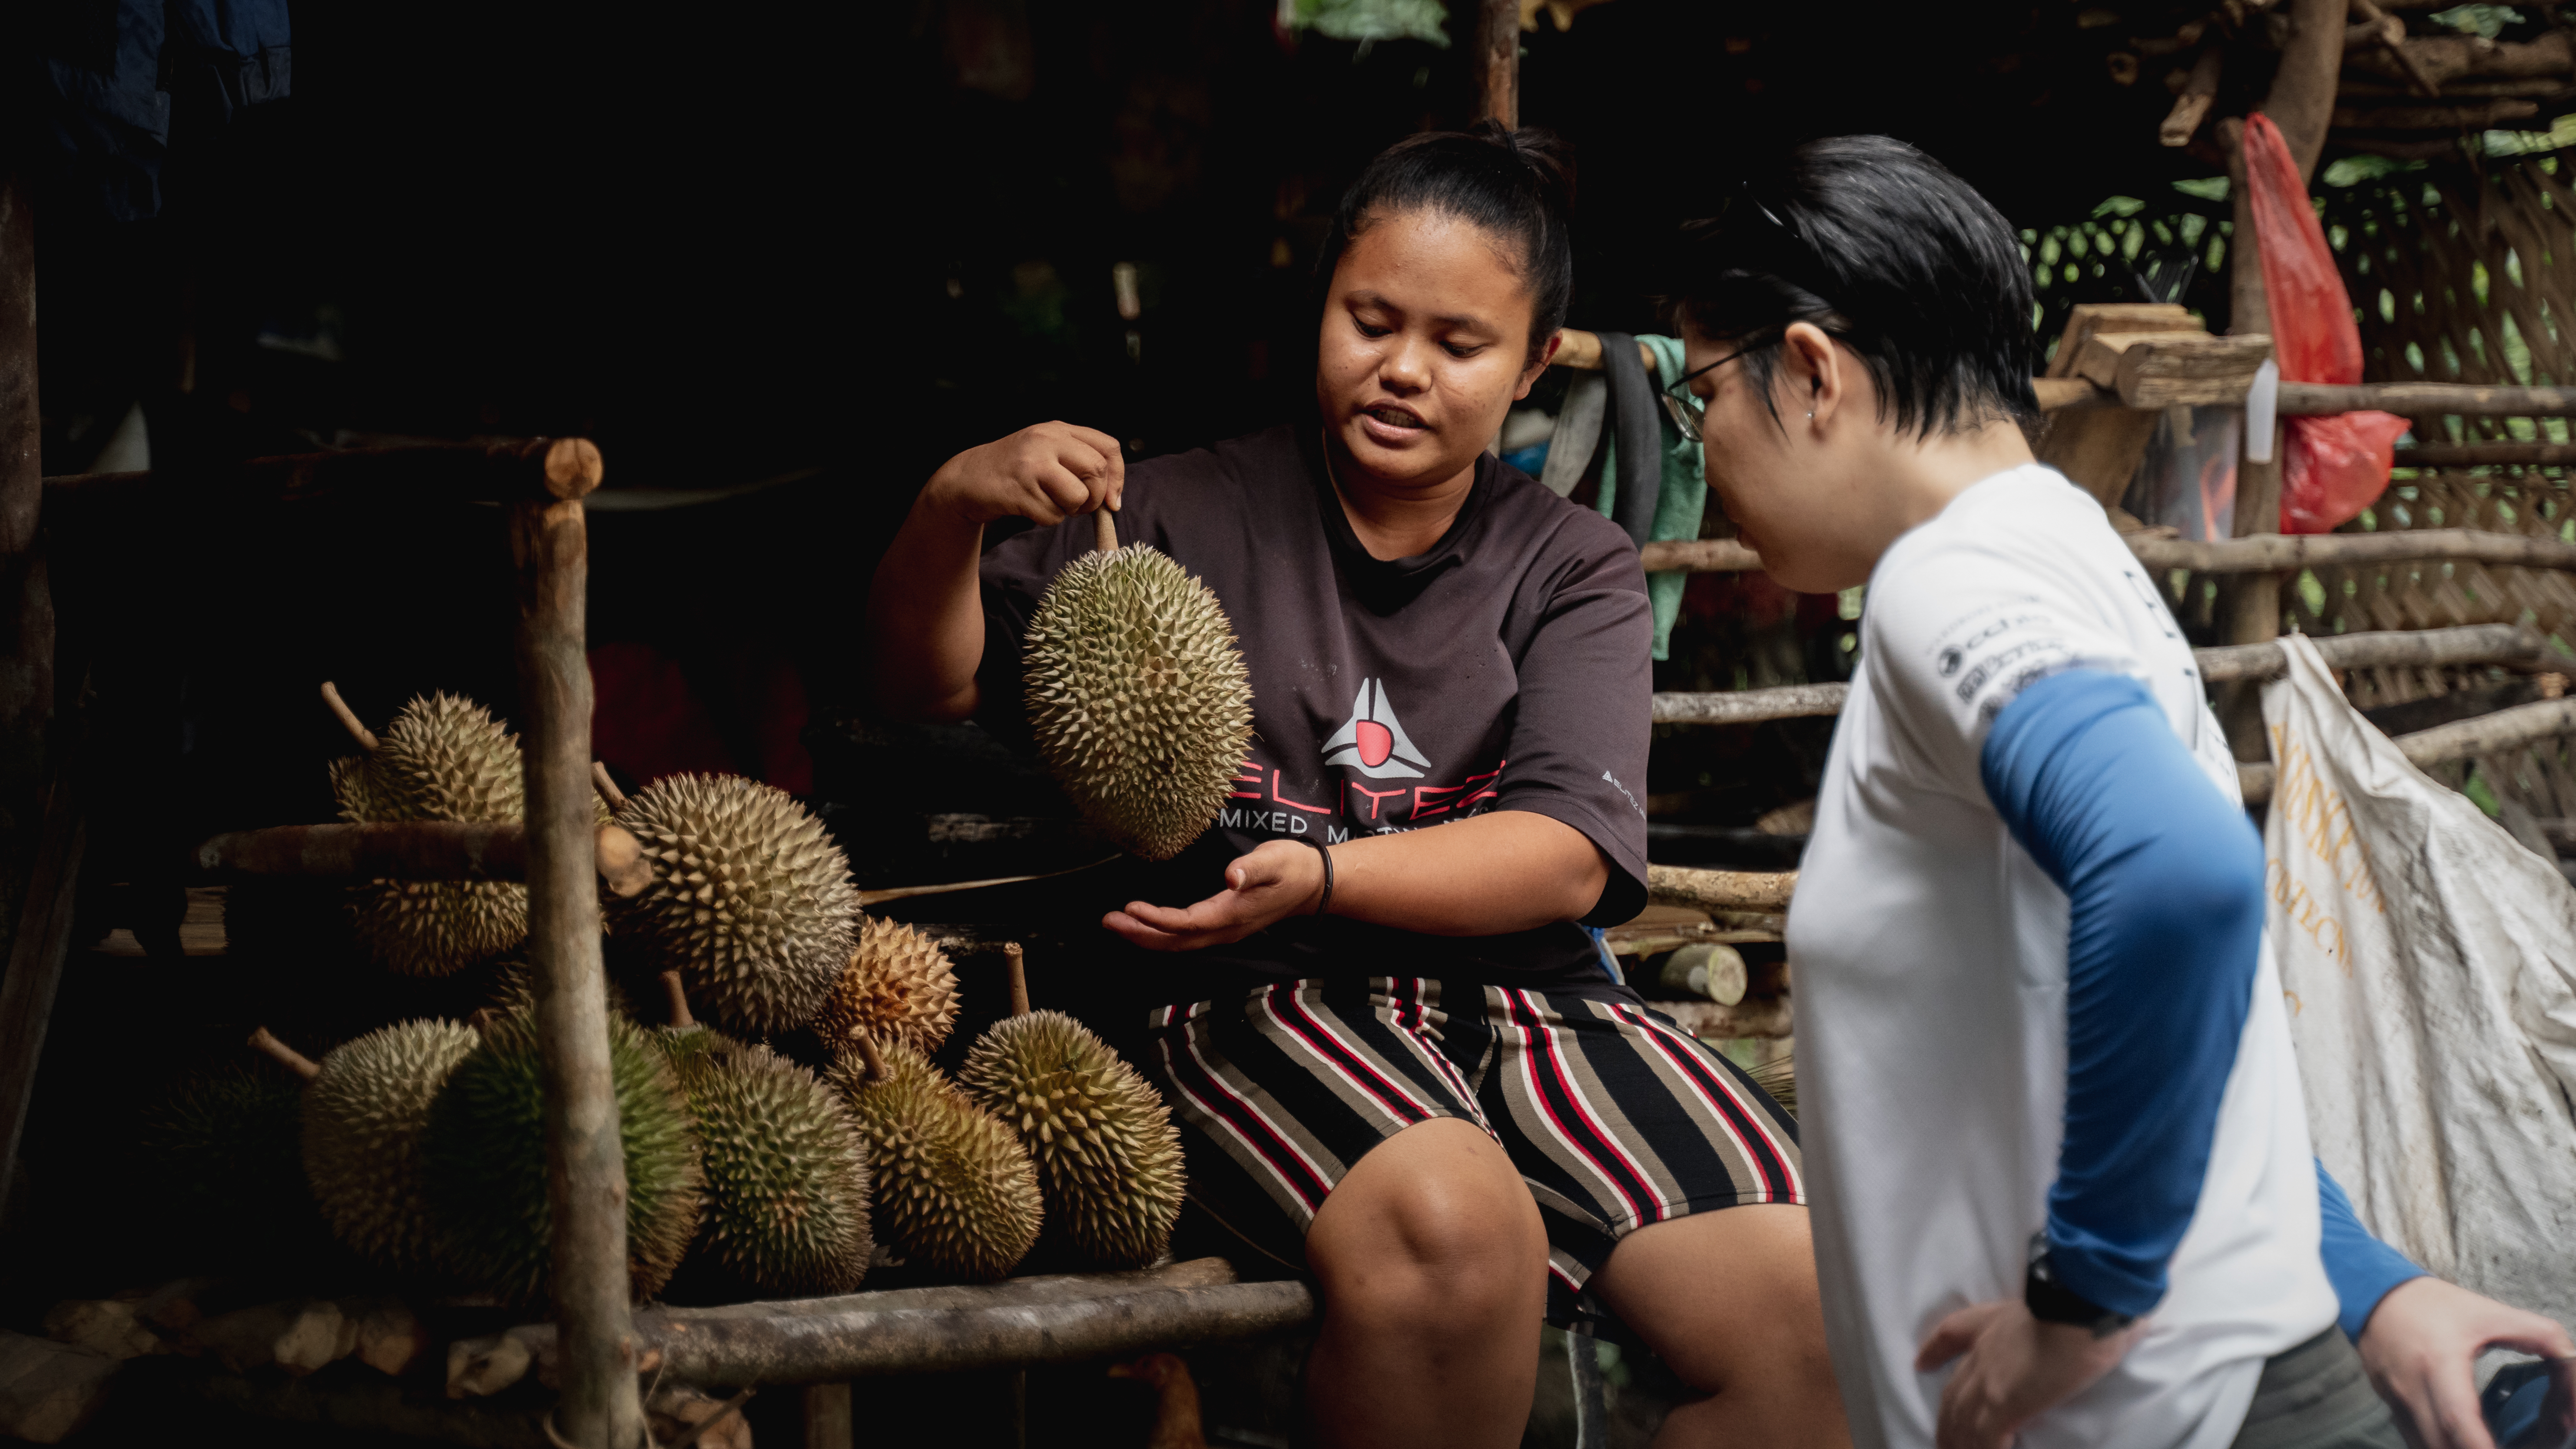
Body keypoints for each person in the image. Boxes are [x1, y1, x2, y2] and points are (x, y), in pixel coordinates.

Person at [867, 123, 1843, 1448]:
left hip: (1534, 1006)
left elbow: (1564, 852)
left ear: (1531, 364)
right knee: (1455, 1234)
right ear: (1319, 305)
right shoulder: (1166, 515)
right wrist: (949, 509)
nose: (1401, 371)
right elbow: (932, 686)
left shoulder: (1573, 564)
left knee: (1818, 1318)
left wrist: (1325, 870)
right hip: (1248, 998)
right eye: (1368, 319)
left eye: (1458, 345)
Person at [1660, 133, 2575, 1449]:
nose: (1706, 448)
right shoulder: (2067, 549)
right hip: (2239, 1376)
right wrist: (2362, 1283)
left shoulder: (1948, 582)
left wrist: (2081, 1300)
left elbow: (2180, 880)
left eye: (1704, 398)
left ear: (1810, 372)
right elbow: (2190, 1025)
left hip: (2147, 1416)